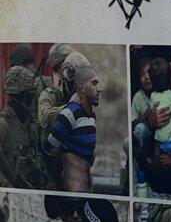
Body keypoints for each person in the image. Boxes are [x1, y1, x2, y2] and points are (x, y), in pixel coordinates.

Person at [46, 64, 100, 192]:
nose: (99, 89)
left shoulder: (91, 117)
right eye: (94, 83)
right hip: (71, 189)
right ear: (82, 88)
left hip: (87, 188)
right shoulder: (69, 113)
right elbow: (49, 149)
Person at [0, 67, 49, 190]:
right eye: (30, 96)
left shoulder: (30, 126)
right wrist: (8, 185)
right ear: (19, 97)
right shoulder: (3, 125)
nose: (33, 100)